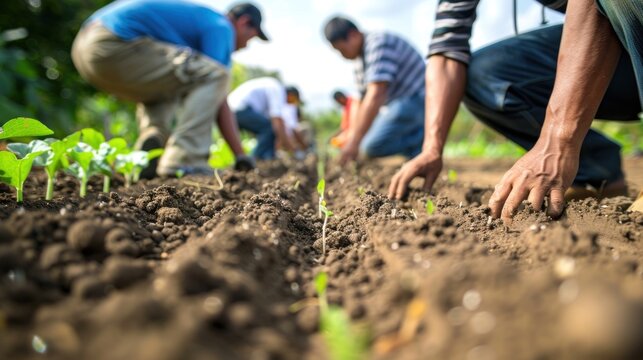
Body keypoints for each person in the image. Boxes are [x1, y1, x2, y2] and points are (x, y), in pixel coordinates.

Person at [388, 0, 642, 222]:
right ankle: (596, 175)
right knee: (484, 76)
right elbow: (447, 48)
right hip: (623, 51)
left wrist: (557, 141)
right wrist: (432, 148)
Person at [72, 0, 267, 177]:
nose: (246, 45)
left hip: (85, 45)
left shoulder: (201, 20)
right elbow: (218, 93)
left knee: (171, 83)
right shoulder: (221, 26)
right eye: (251, 37)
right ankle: (185, 160)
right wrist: (240, 155)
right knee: (216, 75)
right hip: (115, 42)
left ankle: (153, 140)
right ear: (243, 22)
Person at [323, 16, 426, 164]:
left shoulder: (378, 44)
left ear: (353, 35)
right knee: (365, 140)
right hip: (396, 106)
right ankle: (415, 152)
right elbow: (359, 102)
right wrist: (351, 136)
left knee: (370, 147)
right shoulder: (359, 62)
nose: (342, 55)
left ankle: (421, 139)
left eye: (342, 49)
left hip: (417, 99)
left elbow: (375, 95)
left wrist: (354, 142)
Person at [228, 77, 307, 160]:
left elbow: (280, 124)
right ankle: (254, 160)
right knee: (270, 129)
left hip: (234, 109)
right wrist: (293, 149)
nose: (291, 103)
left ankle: (265, 159)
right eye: (293, 100)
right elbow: (277, 124)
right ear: (290, 94)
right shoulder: (278, 90)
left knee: (269, 131)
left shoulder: (273, 90)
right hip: (239, 109)